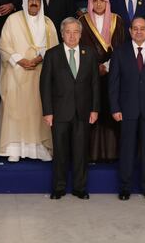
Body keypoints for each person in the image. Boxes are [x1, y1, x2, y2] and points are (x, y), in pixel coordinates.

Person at [108, 17, 145, 201]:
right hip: (127, 110)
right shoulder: (119, 52)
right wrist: (115, 108)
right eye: (135, 28)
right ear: (130, 31)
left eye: (142, 28)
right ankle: (125, 187)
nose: (139, 32)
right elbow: (113, 84)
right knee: (127, 149)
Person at [39, 17, 99, 200]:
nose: (72, 36)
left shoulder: (90, 53)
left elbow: (95, 84)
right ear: (62, 33)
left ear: (80, 34)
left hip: (83, 111)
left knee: (81, 152)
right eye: (68, 32)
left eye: (75, 32)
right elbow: (45, 85)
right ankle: (59, 187)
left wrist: (95, 109)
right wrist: (48, 112)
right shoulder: (52, 54)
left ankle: (80, 188)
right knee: (60, 151)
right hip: (59, 112)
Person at [0, 0, 58, 161]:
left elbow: (54, 47)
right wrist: (20, 60)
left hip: (40, 72)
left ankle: (38, 148)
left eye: (37, 0)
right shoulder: (12, 20)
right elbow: (4, 45)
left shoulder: (48, 23)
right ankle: (14, 148)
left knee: (38, 110)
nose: (33, 2)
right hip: (16, 72)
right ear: (25, 1)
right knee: (15, 109)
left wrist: (39, 58)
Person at [79, 0, 125, 162]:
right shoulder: (82, 21)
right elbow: (79, 48)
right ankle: (91, 153)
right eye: (95, 1)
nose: (99, 4)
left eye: (102, 1)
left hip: (112, 75)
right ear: (91, 2)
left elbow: (120, 48)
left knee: (110, 111)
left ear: (107, 2)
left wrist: (106, 66)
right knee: (91, 111)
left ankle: (111, 153)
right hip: (89, 76)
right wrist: (94, 68)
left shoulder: (117, 21)